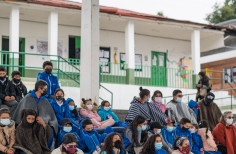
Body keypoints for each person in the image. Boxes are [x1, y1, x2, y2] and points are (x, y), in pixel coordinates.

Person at [12, 80, 58, 148]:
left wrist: (43, 122)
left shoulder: (44, 100)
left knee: (50, 131)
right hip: (28, 124)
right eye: (45, 89)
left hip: (42, 124)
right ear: (39, 89)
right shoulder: (28, 98)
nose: (46, 91)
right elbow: (22, 113)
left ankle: (45, 149)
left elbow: (50, 115)